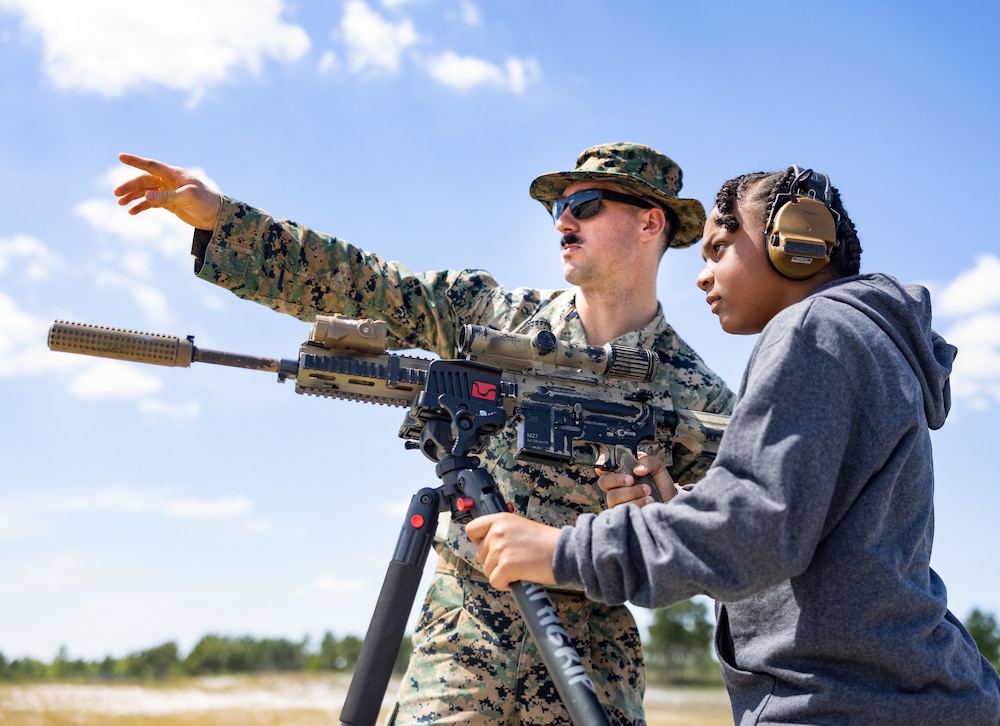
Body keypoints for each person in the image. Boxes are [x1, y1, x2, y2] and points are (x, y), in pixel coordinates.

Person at [114, 143, 736, 726]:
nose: (562, 221)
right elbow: (369, 284)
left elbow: (744, 541)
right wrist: (223, 219)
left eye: (585, 205)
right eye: (556, 206)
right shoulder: (494, 319)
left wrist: (666, 522)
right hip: (465, 640)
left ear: (651, 223)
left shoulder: (696, 396)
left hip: (592, 661)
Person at [467, 166, 1000, 725]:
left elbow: (752, 528)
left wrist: (562, 552)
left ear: (795, 243)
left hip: (847, 705)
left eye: (720, 249)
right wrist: (682, 511)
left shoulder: (813, 330)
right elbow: (794, 547)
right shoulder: (868, 341)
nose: (704, 277)